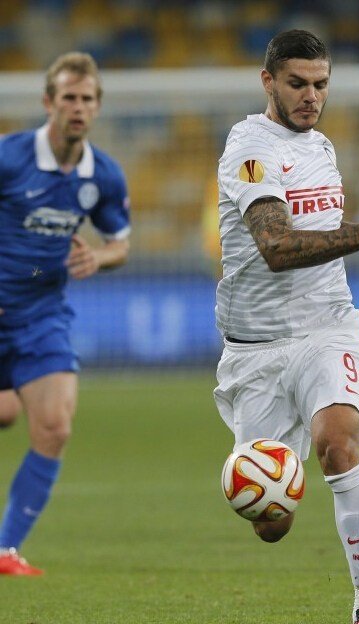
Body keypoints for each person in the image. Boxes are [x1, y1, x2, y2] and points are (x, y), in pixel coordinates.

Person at [213, 30, 359, 624]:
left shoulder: (323, 147)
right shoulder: (249, 149)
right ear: (268, 82)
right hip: (255, 349)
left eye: (321, 84)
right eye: (297, 84)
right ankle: (262, 477)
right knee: (272, 524)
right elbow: (277, 248)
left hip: (327, 329)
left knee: (338, 442)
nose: (311, 96)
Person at [0, 52, 131, 576]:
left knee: (54, 426)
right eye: (69, 97)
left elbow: (120, 243)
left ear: (97, 106)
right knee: (5, 413)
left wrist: (98, 257)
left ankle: (5, 551)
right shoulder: (10, 157)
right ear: (48, 102)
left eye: (87, 99)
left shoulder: (105, 175)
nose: (78, 107)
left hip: (42, 316)